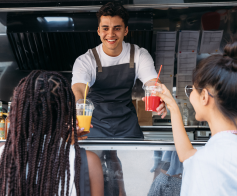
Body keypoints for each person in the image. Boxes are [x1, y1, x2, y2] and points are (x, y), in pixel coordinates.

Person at [154, 36, 237, 195]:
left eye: (191, 91)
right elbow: (188, 156)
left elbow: (199, 162)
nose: (190, 96)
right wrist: (173, 107)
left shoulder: (207, 162)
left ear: (204, 97)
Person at [0, 71, 104, 196]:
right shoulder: (89, 161)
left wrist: (64, 143)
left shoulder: (1, 153)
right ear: (67, 113)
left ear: (20, 111)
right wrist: (65, 144)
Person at [71, 2, 167, 138]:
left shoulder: (139, 55)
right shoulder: (86, 60)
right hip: (94, 127)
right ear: (98, 31)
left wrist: (159, 96)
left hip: (127, 127)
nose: (110, 34)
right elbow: (79, 89)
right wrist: (78, 110)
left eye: (117, 28)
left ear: (125, 30)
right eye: (105, 28)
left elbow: (152, 82)